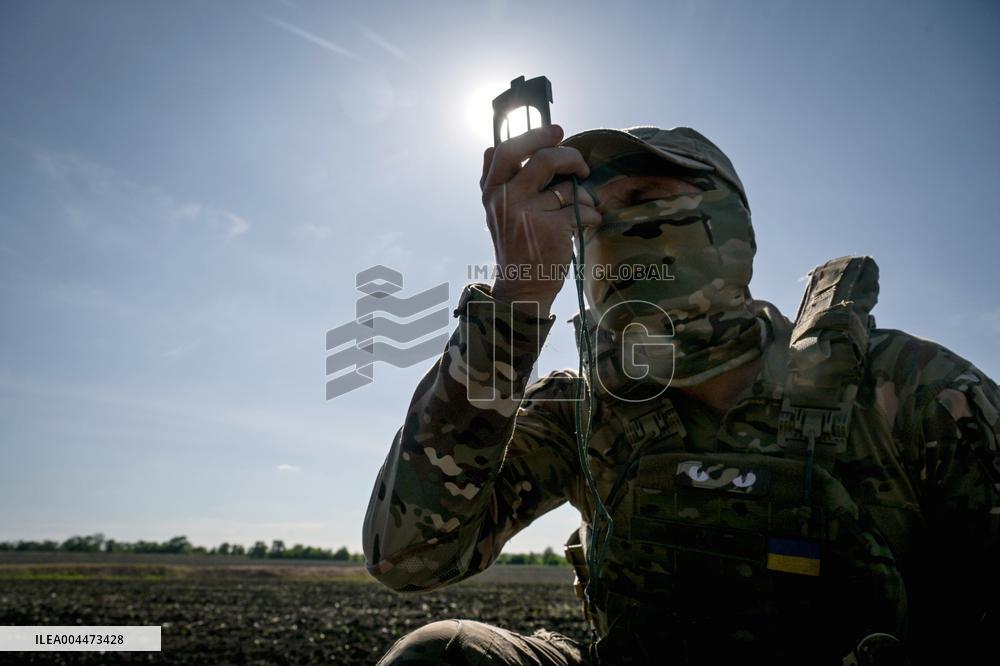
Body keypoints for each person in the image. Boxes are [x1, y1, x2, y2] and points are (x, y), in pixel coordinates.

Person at [362, 123, 1000, 665]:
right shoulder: (582, 412)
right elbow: (410, 557)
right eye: (595, 218)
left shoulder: (914, 390)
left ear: (729, 227)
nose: (615, 233)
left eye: (642, 198)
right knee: (442, 653)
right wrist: (514, 300)